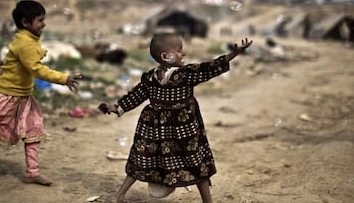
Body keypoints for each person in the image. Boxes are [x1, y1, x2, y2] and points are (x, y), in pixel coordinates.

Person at [99, 33, 253, 203]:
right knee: (144, 158)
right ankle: (118, 196)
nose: (183, 54)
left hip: (181, 129)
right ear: (166, 56)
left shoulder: (186, 74)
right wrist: (117, 107)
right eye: (179, 50)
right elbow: (135, 96)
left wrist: (234, 54)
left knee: (193, 161)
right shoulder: (151, 78)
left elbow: (209, 67)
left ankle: (119, 196)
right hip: (162, 129)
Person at [0, 0, 83, 186]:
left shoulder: (28, 39)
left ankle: (32, 172)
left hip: (23, 97)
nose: (44, 24)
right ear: (25, 22)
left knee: (33, 131)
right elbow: (36, 69)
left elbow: (32, 56)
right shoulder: (25, 44)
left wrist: (41, 52)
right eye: (40, 20)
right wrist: (63, 78)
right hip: (7, 97)